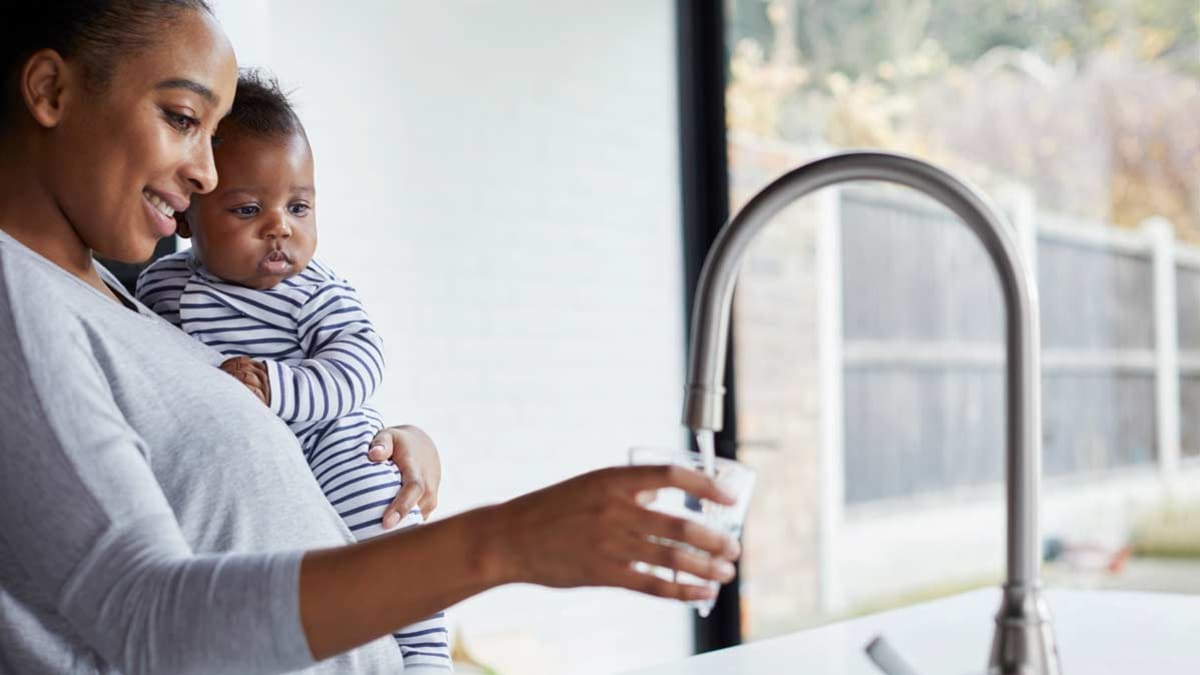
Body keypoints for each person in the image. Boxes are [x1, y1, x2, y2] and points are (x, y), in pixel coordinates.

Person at [0, 2, 741, 674]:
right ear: (51, 91)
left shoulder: (122, 300)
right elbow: (153, 622)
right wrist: (510, 541)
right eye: (183, 118)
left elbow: (218, 492)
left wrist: (373, 437)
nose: (206, 172)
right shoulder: (16, 295)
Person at [136, 70, 449, 670]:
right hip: (258, 490)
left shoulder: (312, 290)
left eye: (299, 206)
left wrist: (279, 387)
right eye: (248, 208)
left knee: (388, 538)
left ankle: (427, 657)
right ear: (189, 213)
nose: (280, 226)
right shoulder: (160, 284)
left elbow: (361, 362)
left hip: (332, 442)